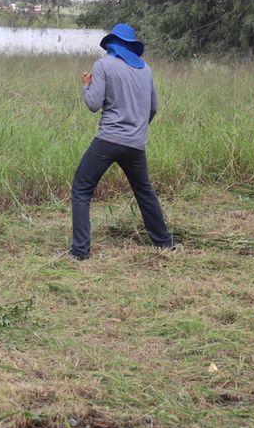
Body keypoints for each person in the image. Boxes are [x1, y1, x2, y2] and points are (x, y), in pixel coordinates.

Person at [67, 23, 175, 260]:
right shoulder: (145, 69)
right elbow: (154, 108)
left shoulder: (103, 65)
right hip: (136, 144)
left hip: (108, 140)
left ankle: (80, 252)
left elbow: (93, 105)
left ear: (112, 44)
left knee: (82, 189)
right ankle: (165, 244)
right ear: (132, 47)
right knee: (144, 192)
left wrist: (86, 86)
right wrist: (137, 129)